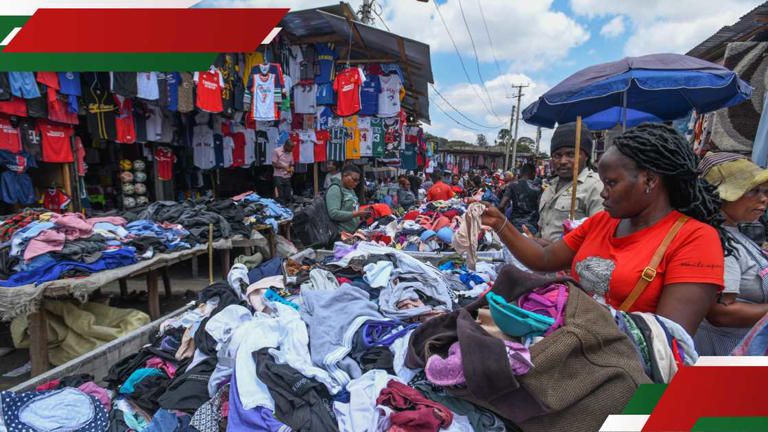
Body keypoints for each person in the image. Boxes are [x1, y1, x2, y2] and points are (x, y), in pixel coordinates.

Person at [482, 124, 728, 335]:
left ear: (650, 181)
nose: (603, 193)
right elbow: (544, 259)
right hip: (576, 349)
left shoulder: (695, 239)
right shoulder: (602, 222)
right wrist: (499, 223)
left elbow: (667, 339)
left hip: (628, 370)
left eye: (611, 183)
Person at [694, 153, 768, 355]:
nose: (763, 199)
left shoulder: (732, 232)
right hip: (726, 352)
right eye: (752, 191)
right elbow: (721, 313)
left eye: (765, 191)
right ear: (720, 195)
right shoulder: (718, 240)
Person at [538, 122, 604, 243]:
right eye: (557, 155)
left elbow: (599, 238)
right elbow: (543, 229)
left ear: (586, 156)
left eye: (571, 154)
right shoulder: (549, 188)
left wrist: (553, 249)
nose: (563, 161)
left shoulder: (596, 187)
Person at [326, 165, 370, 234]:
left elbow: (352, 208)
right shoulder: (335, 189)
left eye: (358, 181)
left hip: (352, 232)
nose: (356, 183)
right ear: (345, 175)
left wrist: (361, 214)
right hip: (341, 234)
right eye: (354, 179)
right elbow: (333, 214)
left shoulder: (350, 189)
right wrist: (357, 214)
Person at [499, 163, 542, 234]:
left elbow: (501, 205)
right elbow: (541, 208)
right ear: (533, 173)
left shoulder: (512, 186)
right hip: (531, 227)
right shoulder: (538, 188)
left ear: (521, 173)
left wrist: (503, 220)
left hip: (514, 227)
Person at [272, 135, 295, 204]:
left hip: (287, 176)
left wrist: (292, 168)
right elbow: (274, 164)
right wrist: (283, 167)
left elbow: (291, 163)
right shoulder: (276, 151)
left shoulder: (290, 152)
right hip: (278, 176)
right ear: (286, 146)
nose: (291, 150)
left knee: (288, 194)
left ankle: (287, 206)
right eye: (290, 148)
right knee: (280, 195)